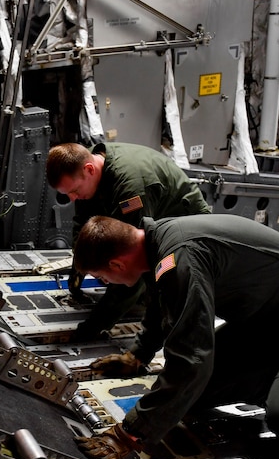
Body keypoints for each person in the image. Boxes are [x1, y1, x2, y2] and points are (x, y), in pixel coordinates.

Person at [71, 214, 279, 459]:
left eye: (102, 277)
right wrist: (138, 355)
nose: (106, 283)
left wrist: (129, 434)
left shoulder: (179, 256)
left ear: (116, 265)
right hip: (271, 323)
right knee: (190, 397)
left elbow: (191, 359)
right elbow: (165, 305)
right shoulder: (156, 244)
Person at [45, 142, 211, 340]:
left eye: (74, 191)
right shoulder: (87, 168)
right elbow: (83, 226)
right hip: (155, 216)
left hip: (187, 228)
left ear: (89, 169)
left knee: (159, 289)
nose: (72, 199)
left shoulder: (131, 191)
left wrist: (93, 327)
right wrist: (81, 267)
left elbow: (131, 261)